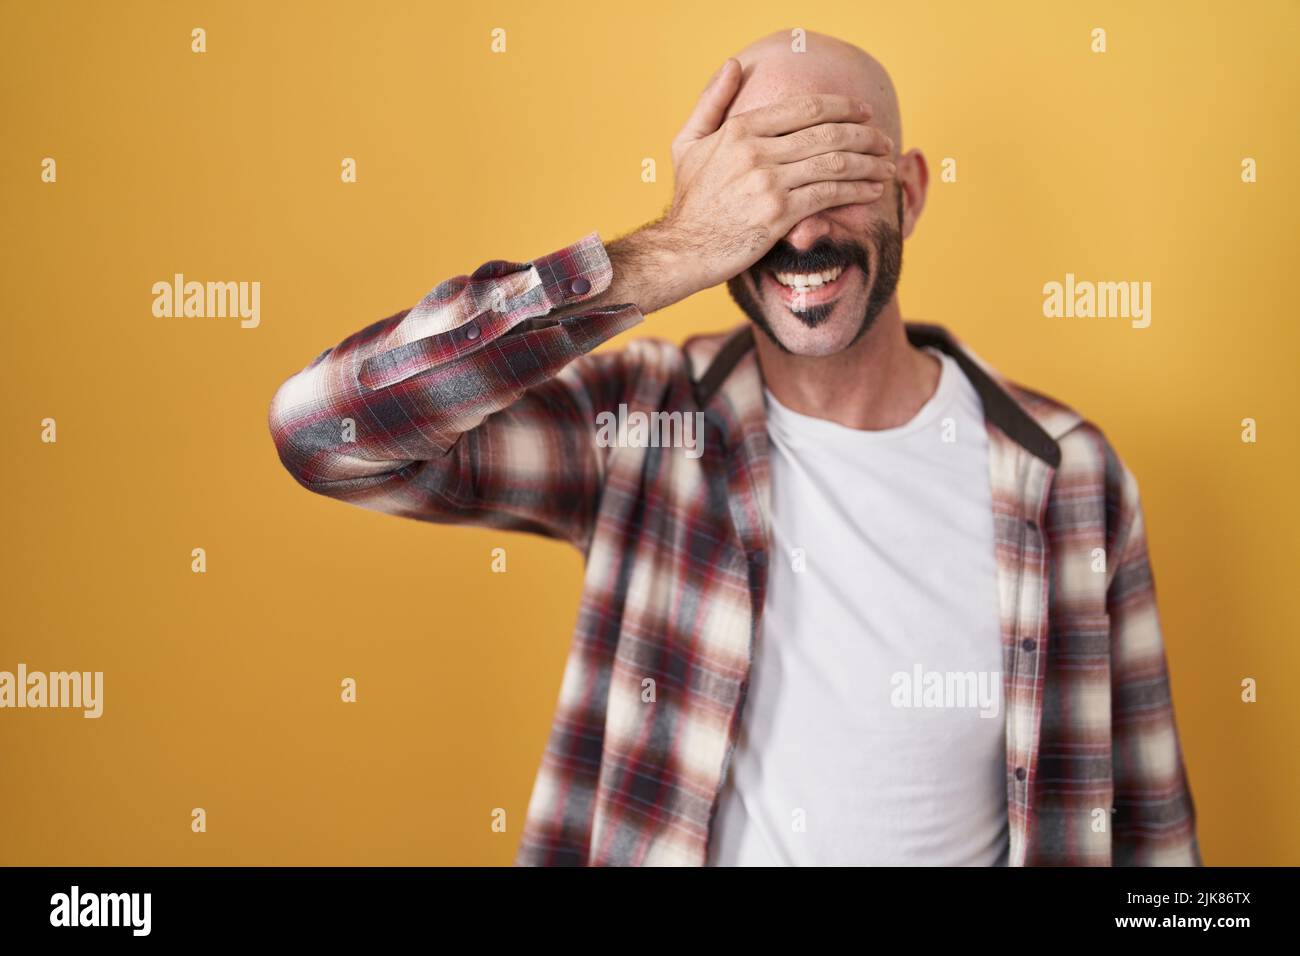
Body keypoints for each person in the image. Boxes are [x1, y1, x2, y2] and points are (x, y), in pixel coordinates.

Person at [268, 30, 1200, 866]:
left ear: (908, 195)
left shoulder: (1066, 473)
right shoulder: (638, 426)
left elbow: (1152, 833)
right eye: (761, 189)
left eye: (833, 172)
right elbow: (323, 432)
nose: (800, 233)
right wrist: (671, 248)